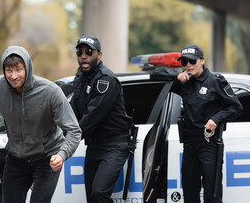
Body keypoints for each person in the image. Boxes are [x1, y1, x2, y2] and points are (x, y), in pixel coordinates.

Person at [0, 46, 82, 203]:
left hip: (47, 158)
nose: (14, 76)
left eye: (18, 69)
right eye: (9, 70)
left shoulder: (50, 92)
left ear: (27, 68)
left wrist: (61, 155)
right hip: (16, 159)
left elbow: (74, 131)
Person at [150, 44, 243, 203]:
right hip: (189, 143)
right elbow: (154, 75)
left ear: (201, 60)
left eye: (192, 61)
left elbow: (236, 107)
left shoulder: (215, 81)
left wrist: (216, 119)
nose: (188, 65)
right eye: (184, 62)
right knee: (189, 191)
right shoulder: (184, 81)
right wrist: (176, 76)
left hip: (209, 142)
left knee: (211, 194)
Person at [69, 35, 132, 203]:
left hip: (114, 145)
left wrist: (67, 141)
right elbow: (73, 111)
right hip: (94, 144)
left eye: (89, 52)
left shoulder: (106, 80)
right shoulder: (80, 78)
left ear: (99, 55)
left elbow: (92, 117)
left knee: (99, 193)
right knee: (91, 197)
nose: (83, 56)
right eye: (80, 52)